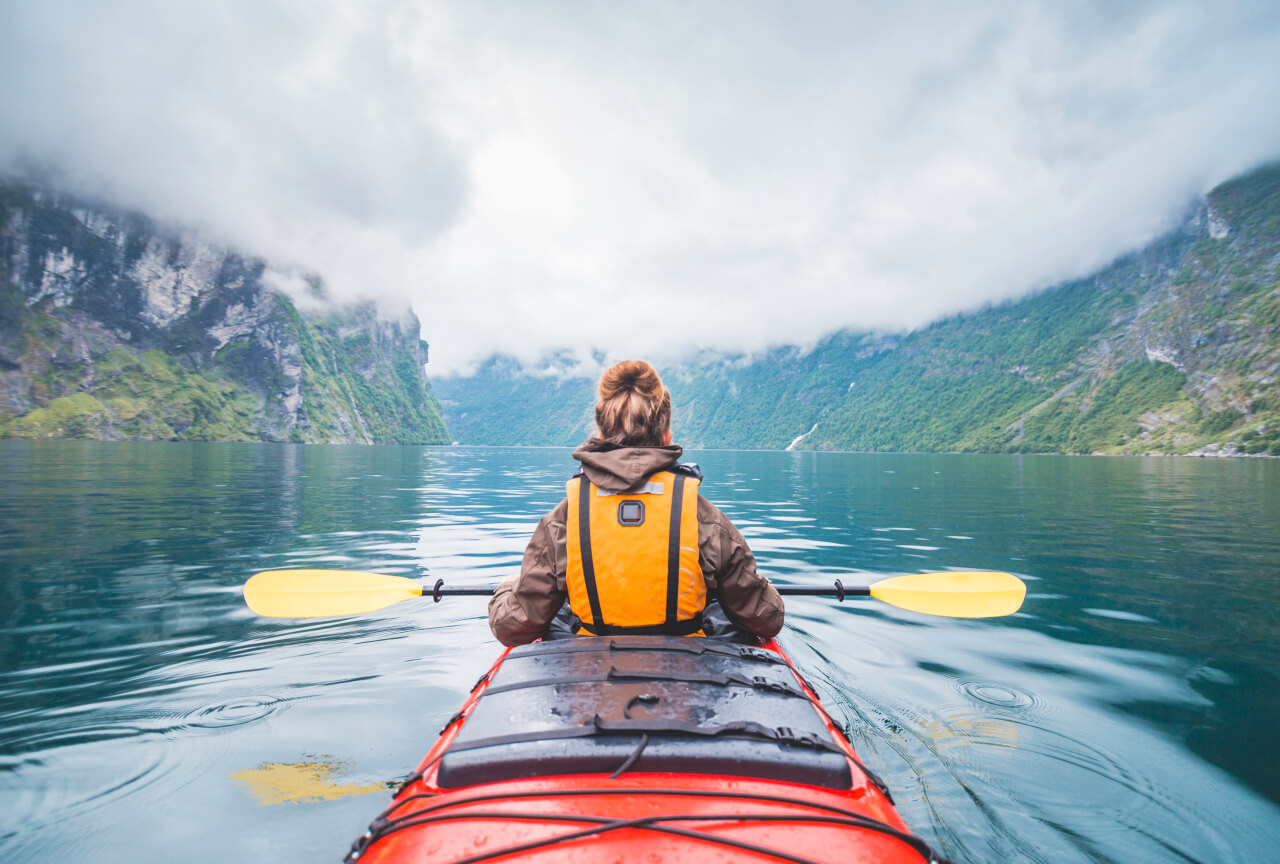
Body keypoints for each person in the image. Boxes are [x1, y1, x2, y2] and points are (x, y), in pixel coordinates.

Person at [488, 360, 784, 646]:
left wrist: (506, 588)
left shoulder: (563, 520)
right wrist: (763, 587)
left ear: (601, 436)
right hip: (685, 671)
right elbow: (765, 621)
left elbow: (514, 628)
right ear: (666, 436)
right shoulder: (703, 518)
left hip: (592, 671)